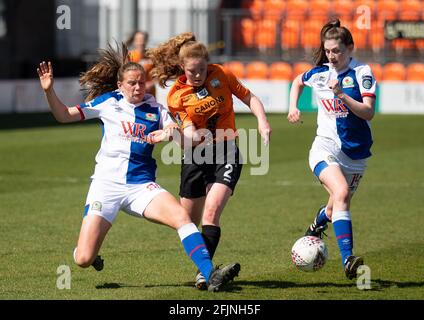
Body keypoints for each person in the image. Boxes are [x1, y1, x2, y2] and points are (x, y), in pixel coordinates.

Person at [36, 42, 240, 292]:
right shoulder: (108, 103)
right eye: (131, 83)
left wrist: (167, 133)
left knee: (182, 217)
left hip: (141, 187)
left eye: (141, 82)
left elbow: (174, 128)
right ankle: (88, 250)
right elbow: (65, 115)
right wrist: (48, 91)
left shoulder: (155, 107)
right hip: (106, 187)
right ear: (120, 86)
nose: (137, 87)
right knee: (83, 259)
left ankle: (210, 274)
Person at [147, 32, 272, 290]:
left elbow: (249, 97)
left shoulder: (221, 75)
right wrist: (177, 136)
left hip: (226, 152)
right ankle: (204, 263)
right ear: (182, 67)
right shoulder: (176, 95)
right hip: (195, 156)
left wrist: (262, 121)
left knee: (212, 212)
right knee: (187, 223)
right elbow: (191, 135)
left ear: (208, 64)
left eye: (202, 69)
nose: (197, 75)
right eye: (192, 71)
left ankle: (205, 274)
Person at [287, 19, 376, 280]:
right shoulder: (320, 74)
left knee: (334, 206)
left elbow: (368, 113)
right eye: (327, 51)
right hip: (324, 147)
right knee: (342, 192)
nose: (331, 56)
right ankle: (348, 258)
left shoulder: (362, 73)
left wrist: (343, 96)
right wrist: (293, 107)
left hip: (356, 154)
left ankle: (317, 223)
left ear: (350, 48)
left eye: (336, 50)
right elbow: (297, 82)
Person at [126, 31, 156, 97]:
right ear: (134, 41)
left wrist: (152, 83)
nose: (141, 42)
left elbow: (158, 74)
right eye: (138, 40)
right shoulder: (129, 57)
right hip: (136, 93)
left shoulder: (152, 56)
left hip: (150, 93)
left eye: (143, 40)